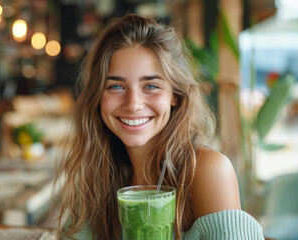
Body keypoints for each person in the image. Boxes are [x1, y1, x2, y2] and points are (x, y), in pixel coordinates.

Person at [55, 14, 264, 240]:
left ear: (175, 95)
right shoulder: (99, 175)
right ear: (97, 96)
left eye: (151, 86)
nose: (133, 104)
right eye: (115, 86)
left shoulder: (207, 170)